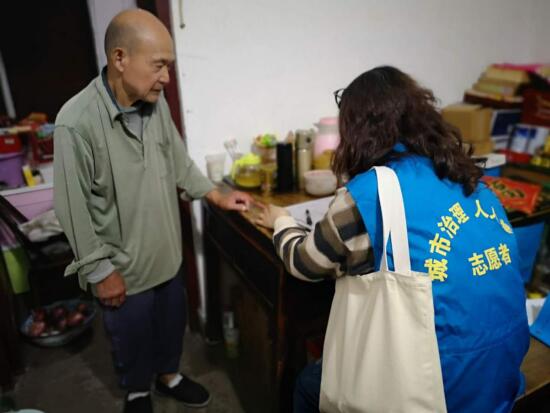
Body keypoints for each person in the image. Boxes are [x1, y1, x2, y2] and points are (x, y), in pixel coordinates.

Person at [255, 66, 529, 412]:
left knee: (310, 384)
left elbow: (305, 262)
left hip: (443, 390)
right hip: (503, 373)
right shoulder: (469, 178)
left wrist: (282, 221)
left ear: (356, 131)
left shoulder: (372, 193)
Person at [53, 9, 252, 413]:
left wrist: (214, 194)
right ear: (120, 58)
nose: (166, 78)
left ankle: (169, 376)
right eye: (158, 65)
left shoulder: (154, 103)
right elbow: (71, 207)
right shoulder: (76, 122)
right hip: (123, 269)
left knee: (170, 326)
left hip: (166, 255)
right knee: (130, 339)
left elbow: (177, 160)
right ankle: (137, 391)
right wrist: (100, 272)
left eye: (169, 67)